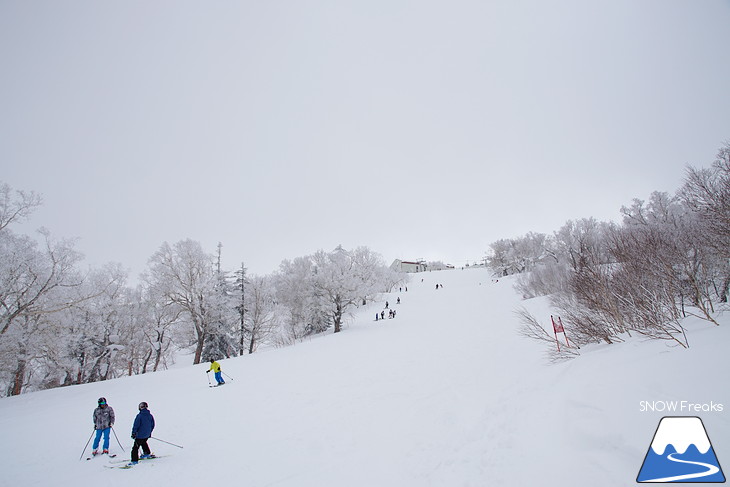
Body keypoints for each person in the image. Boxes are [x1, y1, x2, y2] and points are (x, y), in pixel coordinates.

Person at [129, 402, 155, 466]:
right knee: (143, 442)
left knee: (135, 448)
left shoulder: (139, 416)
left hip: (139, 435)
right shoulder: (150, 415)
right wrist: (149, 432)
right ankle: (147, 453)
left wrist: (134, 433)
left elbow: (136, 425)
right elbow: (152, 425)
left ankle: (134, 460)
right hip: (146, 435)